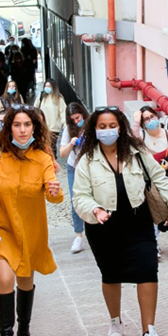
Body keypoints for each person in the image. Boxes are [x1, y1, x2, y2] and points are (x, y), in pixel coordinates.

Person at [72, 106, 168, 336]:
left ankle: (148, 331)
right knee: (111, 274)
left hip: (137, 219)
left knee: (147, 268)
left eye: (112, 126)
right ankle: (115, 320)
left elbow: (159, 177)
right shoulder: (87, 161)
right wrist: (95, 210)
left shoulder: (137, 152)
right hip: (104, 226)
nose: (108, 130)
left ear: (120, 127)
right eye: (102, 127)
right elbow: (79, 196)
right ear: (94, 130)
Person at [0, 105, 63, 336]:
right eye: (17, 125)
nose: (22, 130)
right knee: (5, 278)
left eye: (27, 125)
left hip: (31, 230)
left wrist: (55, 190)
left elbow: (52, 195)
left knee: (25, 281)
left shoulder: (44, 158)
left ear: (35, 127)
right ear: (8, 127)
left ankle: (24, 330)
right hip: (0, 229)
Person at [136, 106, 168, 244]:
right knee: (152, 209)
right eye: (146, 119)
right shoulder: (141, 137)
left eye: (152, 117)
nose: (150, 120)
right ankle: (154, 243)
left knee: (166, 208)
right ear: (142, 124)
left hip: (167, 178)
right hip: (149, 180)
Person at [59, 102, 90, 253]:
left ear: (83, 114)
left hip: (90, 168)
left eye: (78, 118)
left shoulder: (91, 125)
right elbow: (62, 154)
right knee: (75, 201)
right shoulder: (68, 129)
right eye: (73, 120)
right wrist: (71, 144)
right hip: (74, 167)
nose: (77, 122)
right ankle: (79, 235)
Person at [35, 79, 66, 156]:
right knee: (43, 146)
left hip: (54, 128)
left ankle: (52, 163)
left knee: (52, 147)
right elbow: (35, 108)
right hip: (42, 127)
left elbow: (63, 112)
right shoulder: (42, 96)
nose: (47, 88)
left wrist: (65, 124)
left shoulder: (59, 98)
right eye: (46, 86)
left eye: (49, 86)